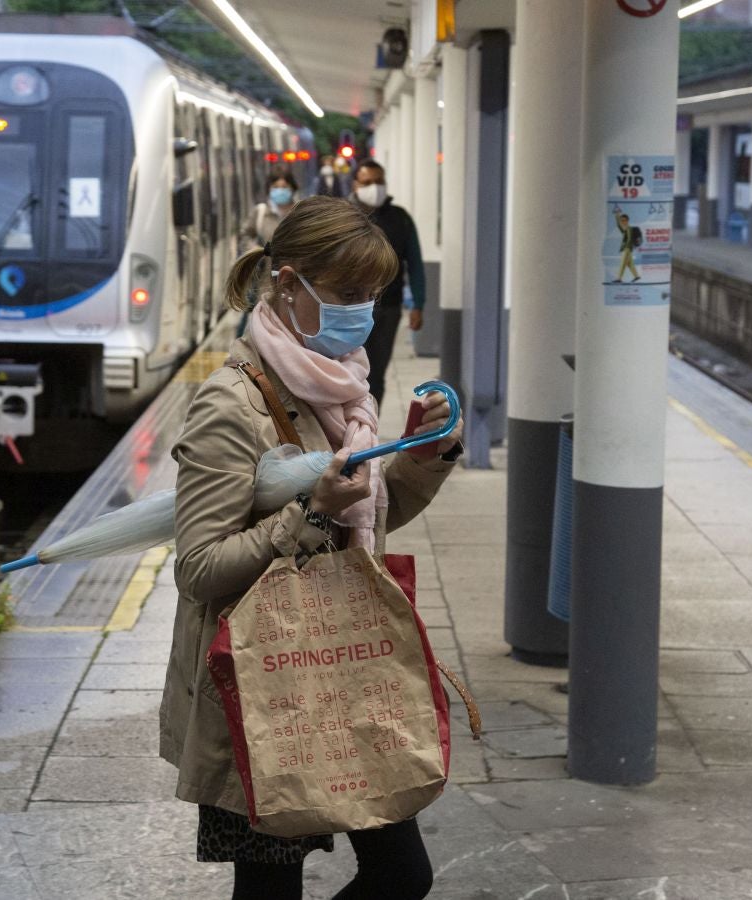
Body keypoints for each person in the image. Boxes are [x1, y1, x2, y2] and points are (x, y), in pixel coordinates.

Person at [161, 195, 463, 900]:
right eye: (350, 295)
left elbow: (371, 519)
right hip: (259, 680)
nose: (366, 313)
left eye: (375, 296)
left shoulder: (341, 387)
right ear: (288, 284)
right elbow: (199, 570)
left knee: (400, 873)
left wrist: (425, 453)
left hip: (342, 661)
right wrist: (311, 514)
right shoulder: (230, 404)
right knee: (272, 889)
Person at [351, 159, 425, 408]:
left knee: (376, 374)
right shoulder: (343, 216)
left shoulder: (400, 219)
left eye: (379, 181)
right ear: (355, 185)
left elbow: (414, 263)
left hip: (387, 309)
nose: (374, 187)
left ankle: (369, 425)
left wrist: (418, 304)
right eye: (367, 182)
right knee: (347, 371)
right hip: (347, 309)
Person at [241, 168, 298, 249]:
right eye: (275, 187)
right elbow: (245, 236)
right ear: (269, 189)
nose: (280, 191)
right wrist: (254, 249)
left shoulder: (301, 212)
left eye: (284, 187)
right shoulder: (260, 212)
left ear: (292, 188)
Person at [611, 208, 641, 283]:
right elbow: (618, 225)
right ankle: (636, 276)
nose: (622, 222)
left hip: (627, 248)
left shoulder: (629, 229)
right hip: (628, 248)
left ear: (627, 221)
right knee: (630, 264)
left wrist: (626, 247)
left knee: (623, 263)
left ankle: (619, 278)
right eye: (622, 220)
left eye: (624, 220)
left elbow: (630, 239)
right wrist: (617, 215)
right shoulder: (625, 229)